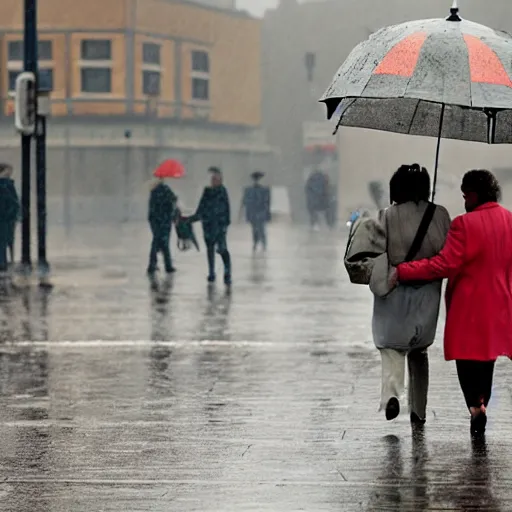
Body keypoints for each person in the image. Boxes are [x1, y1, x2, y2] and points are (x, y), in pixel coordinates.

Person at [395, 169, 512, 436]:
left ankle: (475, 406)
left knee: (467, 360)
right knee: (487, 358)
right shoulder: (509, 220)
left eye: (465, 195)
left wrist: (404, 270)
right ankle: (483, 402)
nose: (464, 201)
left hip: (469, 306)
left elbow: (444, 264)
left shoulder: (464, 224)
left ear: (474, 194)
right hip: (500, 302)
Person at [374, 164, 451, 424]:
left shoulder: (386, 216)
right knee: (419, 351)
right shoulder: (439, 214)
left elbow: (378, 253)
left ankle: (392, 395)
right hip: (427, 292)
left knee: (392, 348)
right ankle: (418, 409)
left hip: (394, 290)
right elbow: (446, 253)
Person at [189, 167, 231, 285]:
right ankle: (211, 272)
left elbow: (227, 209)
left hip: (219, 226)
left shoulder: (223, 191)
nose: (214, 180)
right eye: (213, 178)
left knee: (223, 250)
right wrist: (189, 220)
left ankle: (227, 273)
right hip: (208, 226)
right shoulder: (207, 192)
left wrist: (225, 224)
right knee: (210, 249)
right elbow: (201, 209)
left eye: (217, 178)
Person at [147, 177, 177, 276]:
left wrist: (152, 220)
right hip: (165, 220)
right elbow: (172, 202)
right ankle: (167, 265)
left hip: (156, 221)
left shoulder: (154, 192)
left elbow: (151, 208)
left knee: (156, 242)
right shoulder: (166, 190)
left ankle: (152, 264)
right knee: (165, 243)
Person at [240, 171, 271, 252]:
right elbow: (245, 202)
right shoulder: (250, 190)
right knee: (256, 229)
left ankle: (261, 244)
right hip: (255, 213)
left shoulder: (262, 190)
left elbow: (267, 203)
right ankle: (258, 243)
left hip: (259, 213)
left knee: (259, 229)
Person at [0, 163, 20, 273]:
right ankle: (4, 263)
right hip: (6, 218)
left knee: (4, 241)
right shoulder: (6, 185)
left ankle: (4, 262)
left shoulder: (6, 185)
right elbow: (14, 203)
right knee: (6, 241)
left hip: (5, 218)